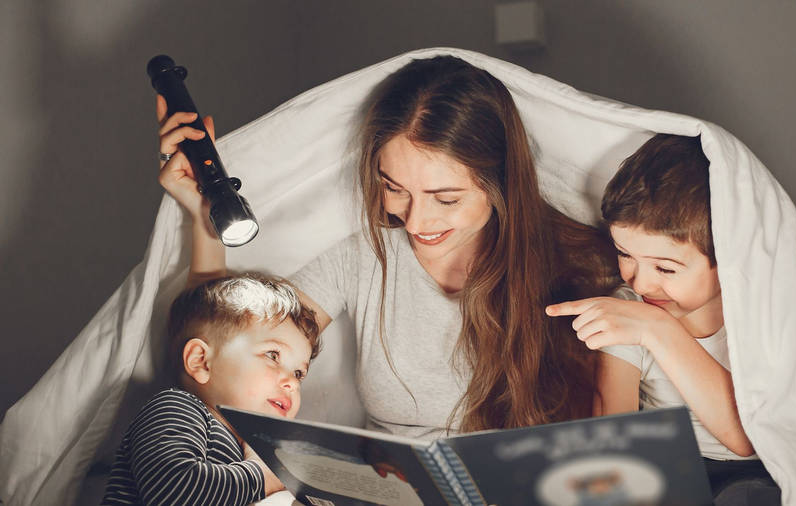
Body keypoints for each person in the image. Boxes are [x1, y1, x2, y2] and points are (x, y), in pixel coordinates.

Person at [156, 55, 622, 439]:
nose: (416, 221)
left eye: (446, 198)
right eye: (394, 187)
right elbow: (226, 341)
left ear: (501, 183)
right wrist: (203, 215)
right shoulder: (364, 258)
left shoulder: (581, 266)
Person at [546, 134, 780, 504]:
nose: (639, 281)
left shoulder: (762, 308)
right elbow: (613, 433)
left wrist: (659, 330)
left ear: (729, 261)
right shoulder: (627, 308)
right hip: (678, 468)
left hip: (768, 466)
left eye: (666, 269)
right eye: (625, 254)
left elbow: (746, 439)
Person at [101, 273, 321, 505]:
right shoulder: (176, 408)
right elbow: (175, 490)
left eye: (299, 373)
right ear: (201, 361)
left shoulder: (259, 451)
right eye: (272, 355)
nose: (293, 383)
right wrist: (261, 477)